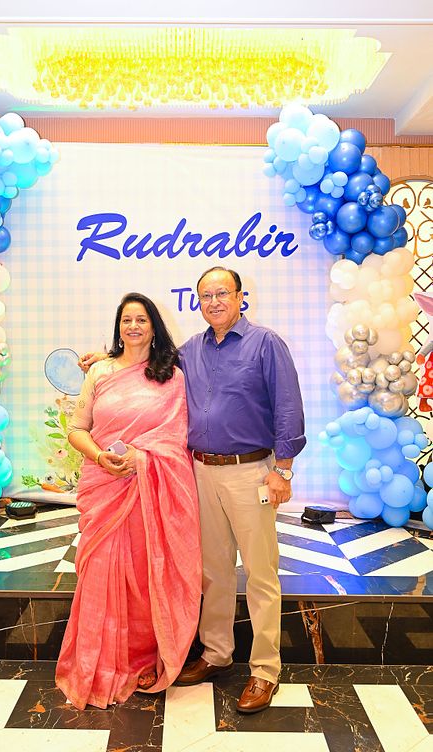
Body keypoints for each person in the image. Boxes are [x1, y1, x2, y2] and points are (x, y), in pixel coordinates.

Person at [80, 267, 306, 714]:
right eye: (206, 295)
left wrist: (283, 470)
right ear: (197, 301)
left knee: (260, 573)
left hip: (251, 473)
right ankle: (217, 653)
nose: (214, 302)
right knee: (213, 571)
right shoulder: (191, 351)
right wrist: (103, 359)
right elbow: (143, 363)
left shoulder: (266, 344)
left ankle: (265, 670)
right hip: (199, 471)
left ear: (240, 297)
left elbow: (288, 407)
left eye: (222, 293)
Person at [56, 292, 202, 710]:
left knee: (143, 576)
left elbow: (177, 438)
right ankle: (98, 661)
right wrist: (100, 456)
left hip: (149, 491)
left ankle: (141, 657)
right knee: (100, 572)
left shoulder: (171, 375)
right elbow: (77, 428)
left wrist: (143, 459)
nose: (133, 326)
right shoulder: (100, 371)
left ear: (154, 326)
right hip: (103, 487)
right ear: (118, 328)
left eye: (141, 319)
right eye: (126, 320)